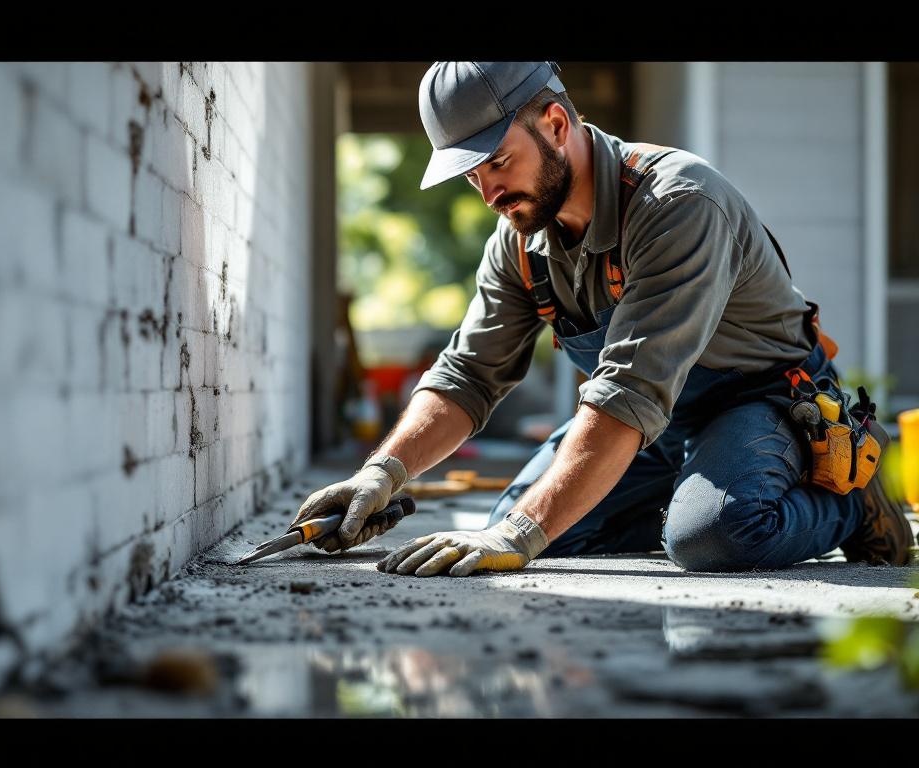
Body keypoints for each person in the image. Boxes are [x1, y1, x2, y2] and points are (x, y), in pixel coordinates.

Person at [293, 61, 915, 575]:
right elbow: (468, 377)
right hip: (652, 427)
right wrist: (382, 472)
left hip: (759, 403)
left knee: (712, 538)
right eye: (472, 173)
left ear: (556, 123)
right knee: (514, 530)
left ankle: (853, 504)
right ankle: (697, 490)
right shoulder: (520, 240)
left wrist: (523, 533)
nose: (487, 192)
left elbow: (630, 391)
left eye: (498, 162)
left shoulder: (679, 205)